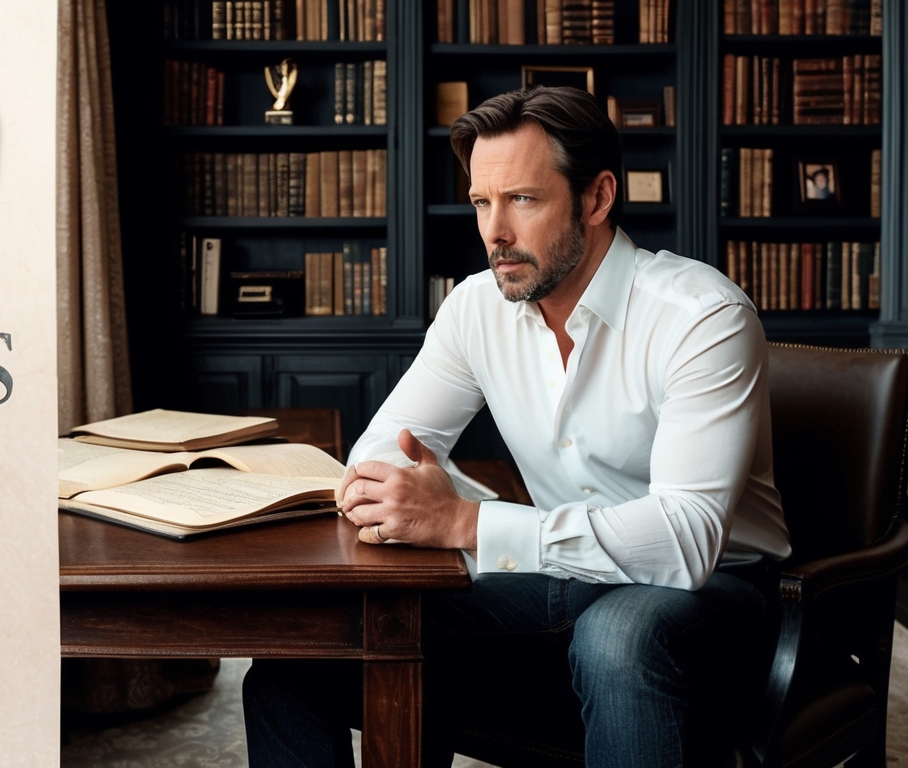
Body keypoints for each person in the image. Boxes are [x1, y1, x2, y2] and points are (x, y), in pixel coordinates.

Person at [242, 86, 791, 767]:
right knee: (300, 656)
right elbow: (383, 450)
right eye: (482, 202)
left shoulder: (702, 318)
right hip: (562, 576)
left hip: (719, 596)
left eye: (522, 200)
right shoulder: (477, 309)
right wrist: (408, 496)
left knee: (617, 637)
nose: (494, 232)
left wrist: (468, 521)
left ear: (595, 199)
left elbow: (683, 541)